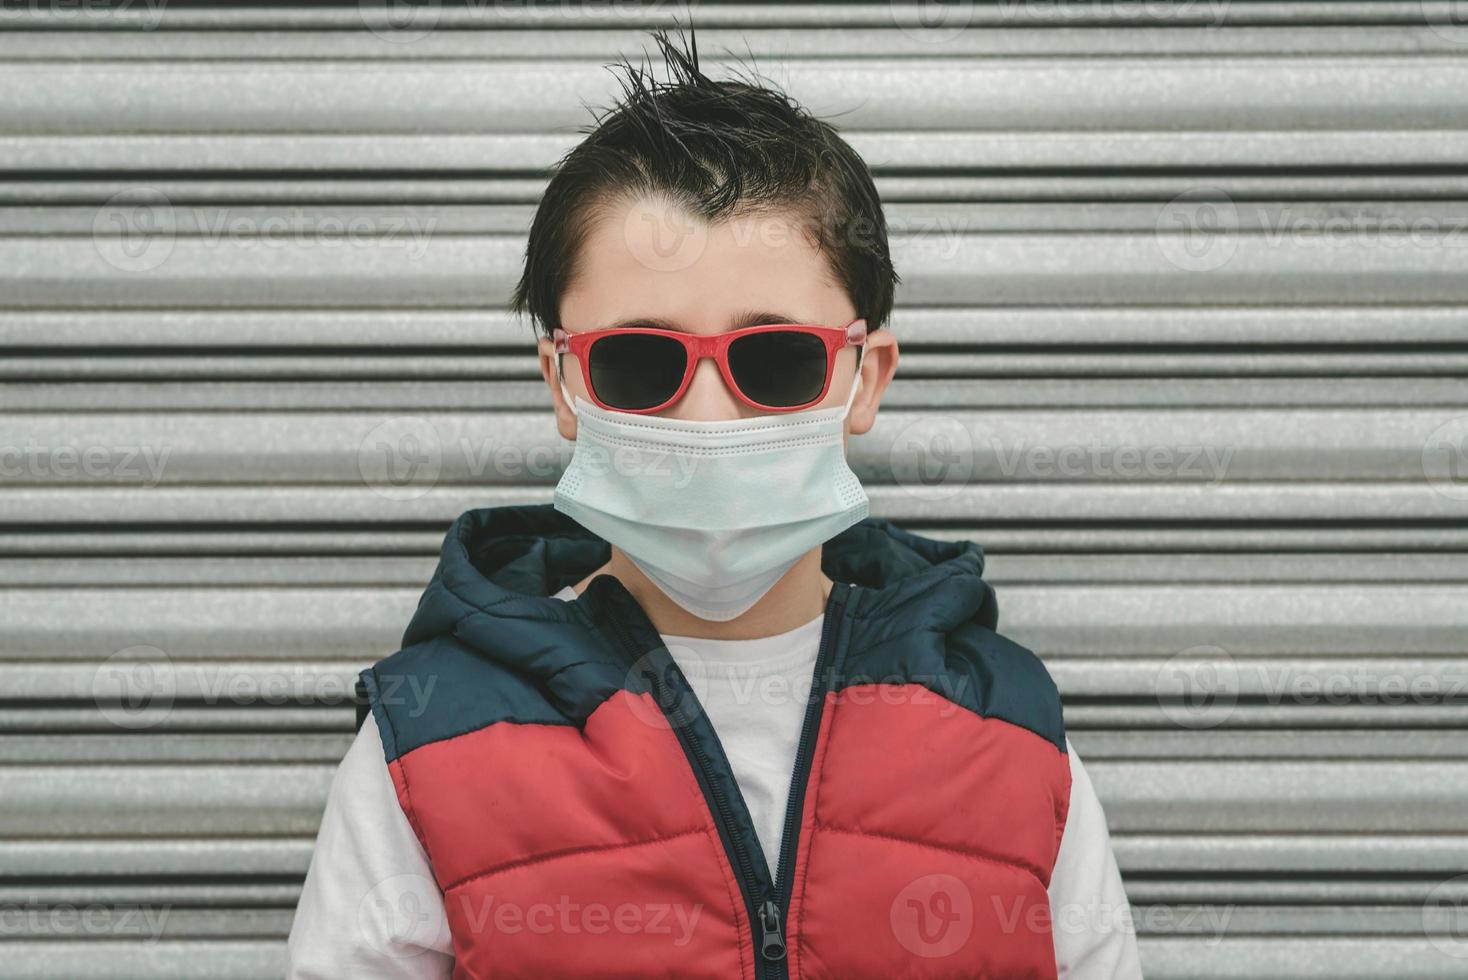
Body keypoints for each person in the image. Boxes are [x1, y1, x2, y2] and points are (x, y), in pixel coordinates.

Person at [287, 26, 1142, 980]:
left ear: (865, 379)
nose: (705, 413)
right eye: (637, 360)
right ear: (564, 385)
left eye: (775, 359)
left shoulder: (1011, 735)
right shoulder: (428, 743)